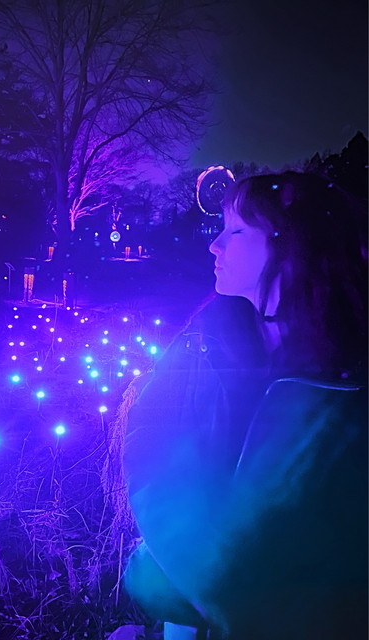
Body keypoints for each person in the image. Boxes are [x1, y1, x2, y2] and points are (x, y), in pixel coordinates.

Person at [120, 171, 368, 639]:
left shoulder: (350, 380)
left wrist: (226, 589)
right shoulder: (202, 341)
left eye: (235, 231)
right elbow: (149, 436)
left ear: (294, 244)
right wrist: (189, 568)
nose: (214, 245)